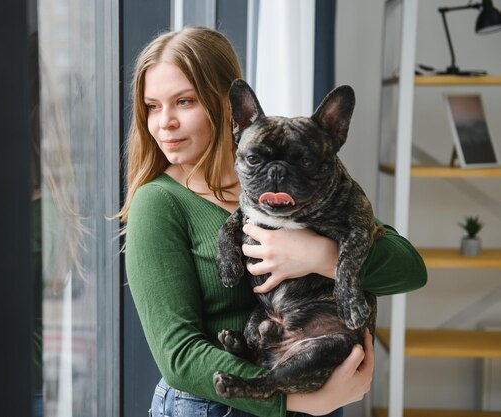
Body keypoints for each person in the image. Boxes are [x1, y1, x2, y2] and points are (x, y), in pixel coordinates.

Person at [120, 26, 426, 417]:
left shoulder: (298, 177)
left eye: (183, 101)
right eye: (151, 106)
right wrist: (294, 401)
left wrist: (319, 255)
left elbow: (409, 270)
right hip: (221, 405)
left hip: (312, 389)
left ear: (226, 106)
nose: (165, 122)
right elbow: (177, 355)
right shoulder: (159, 201)